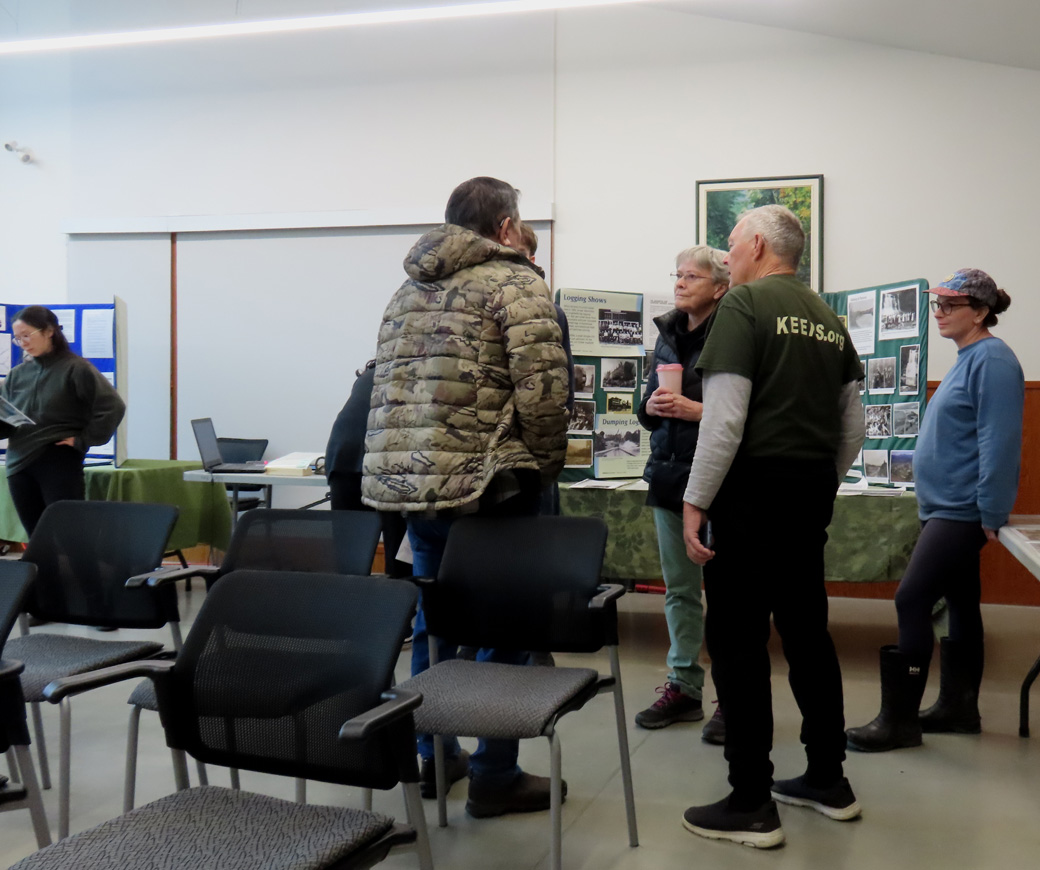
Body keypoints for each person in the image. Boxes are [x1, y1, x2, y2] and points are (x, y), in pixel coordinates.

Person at [362, 177, 570, 816]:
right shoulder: (516, 283)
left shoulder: (405, 290)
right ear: (506, 227)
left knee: (434, 619)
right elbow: (543, 391)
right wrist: (544, 469)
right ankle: (493, 773)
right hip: (492, 486)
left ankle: (434, 756)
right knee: (503, 626)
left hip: (416, 486)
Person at [679, 205, 865, 848]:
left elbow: (724, 421)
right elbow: (853, 427)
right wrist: (819, 481)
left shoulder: (744, 304)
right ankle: (829, 779)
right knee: (808, 635)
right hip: (808, 492)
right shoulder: (827, 318)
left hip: (750, 495)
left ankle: (751, 801)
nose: (726, 256)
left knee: (737, 642)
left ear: (757, 245)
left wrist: (696, 500)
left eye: (731, 245)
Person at [846, 269, 1023, 752]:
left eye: (950, 305)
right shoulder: (970, 358)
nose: (939, 313)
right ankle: (958, 709)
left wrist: (991, 511)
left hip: (962, 510)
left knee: (911, 598)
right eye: (936, 304)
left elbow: (1000, 441)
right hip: (945, 506)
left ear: (980, 312)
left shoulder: (993, 360)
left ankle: (899, 721)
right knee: (961, 601)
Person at [633, 245, 729, 745]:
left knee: (731, 595)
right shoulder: (666, 334)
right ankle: (684, 687)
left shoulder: (733, 333)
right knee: (679, 590)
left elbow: (744, 412)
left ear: (720, 287)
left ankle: (732, 696)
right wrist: (648, 406)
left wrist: (698, 411)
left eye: (693, 276)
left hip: (718, 481)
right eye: (678, 274)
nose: (680, 283)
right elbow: (645, 409)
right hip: (669, 477)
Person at [0, 306, 125, 536]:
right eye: (18, 338)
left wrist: (84, 439)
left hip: (57, 459)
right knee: (37, 536)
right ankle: (44, 563)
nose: (23, 343)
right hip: (18, 462)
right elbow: (6, 419)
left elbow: (112, 406)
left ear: (49, 331)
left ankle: (76, 563)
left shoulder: (76, 368)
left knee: (68, 534)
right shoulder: (17, 374)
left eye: (27, 335)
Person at [325, 359, 409, 577]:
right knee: (398, 557)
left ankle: (348, 596)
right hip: (383, 460)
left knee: (349, 557)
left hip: (342, 457)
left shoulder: (369, 374)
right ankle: (397, 594)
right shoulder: (411, 373)